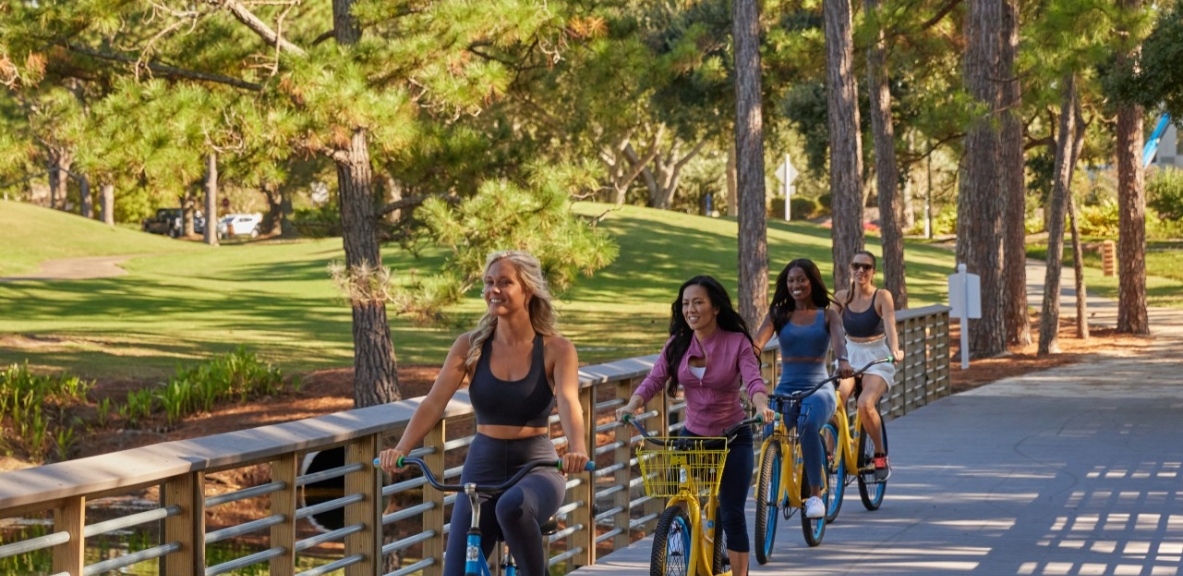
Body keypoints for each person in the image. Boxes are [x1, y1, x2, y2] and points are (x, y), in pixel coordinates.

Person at [376, 250, 590, 576]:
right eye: (489, 283)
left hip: (537, 467)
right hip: (481, 467)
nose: (494, 290)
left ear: (527, 290)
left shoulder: (557, 349)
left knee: (513, 508)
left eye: (505, 282)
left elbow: (569, 402)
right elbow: (434, 402)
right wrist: (401, 449)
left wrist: (578, 449)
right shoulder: (470, 345)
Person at [616, 275, 773, 576]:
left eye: (698, 302)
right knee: (681, 499)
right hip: (693, 436)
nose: (691, 309)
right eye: (686, 303)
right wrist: (631, 404)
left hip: (732, 438)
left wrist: (762, 405)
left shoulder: (737, 342)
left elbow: (753, 381)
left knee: (731, 513)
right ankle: (684, 541)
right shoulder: (678, 344)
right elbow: (655, 379)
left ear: (715, 307)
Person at [752, 259, 851, 520]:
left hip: (818, 387)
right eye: (791, 281)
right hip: (786, 386)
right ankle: (771, 479)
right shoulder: (778, 314)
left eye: (801, 280)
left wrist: (843, 361)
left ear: (812, 281)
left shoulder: (828, 314)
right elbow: (757, 342)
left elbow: (839, 340)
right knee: (769, 423)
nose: (796, 285)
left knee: (808, 424)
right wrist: (746, 359)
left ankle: (815, 496)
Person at [832, 250, 903, 481]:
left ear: (873, 272)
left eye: (866, 267)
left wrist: (895, 349)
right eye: (856, 266)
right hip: (850, 355)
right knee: (835, 400)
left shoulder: (882, 296)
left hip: (876, 357)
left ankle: (880, 455)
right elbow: (829, 327)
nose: (860, 270)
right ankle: (829, 452)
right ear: (850, 269)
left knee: (865, 404)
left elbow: (890, 325)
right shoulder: (842, 297)